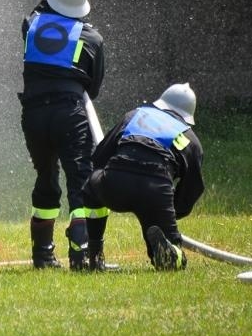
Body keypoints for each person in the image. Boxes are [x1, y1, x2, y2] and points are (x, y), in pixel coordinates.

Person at [20, 0, 106, 270]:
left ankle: (42, 255)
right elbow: (92, 89)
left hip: (33, 115)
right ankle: (83, 255)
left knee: (46, 178)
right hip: (69, 114)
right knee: (82, 182)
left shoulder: (31, 26)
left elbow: (39, 11)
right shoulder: (91, 38)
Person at [82, 83, 203, 271]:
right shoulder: (191, 139)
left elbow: (99, 157)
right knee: (167, 244)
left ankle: (95, 254)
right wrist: (170, 210)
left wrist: (108, 176)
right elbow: (192, 190)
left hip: (116, 182)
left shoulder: (134, 116)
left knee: (90, 189)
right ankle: (171, 254)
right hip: (156, 191)